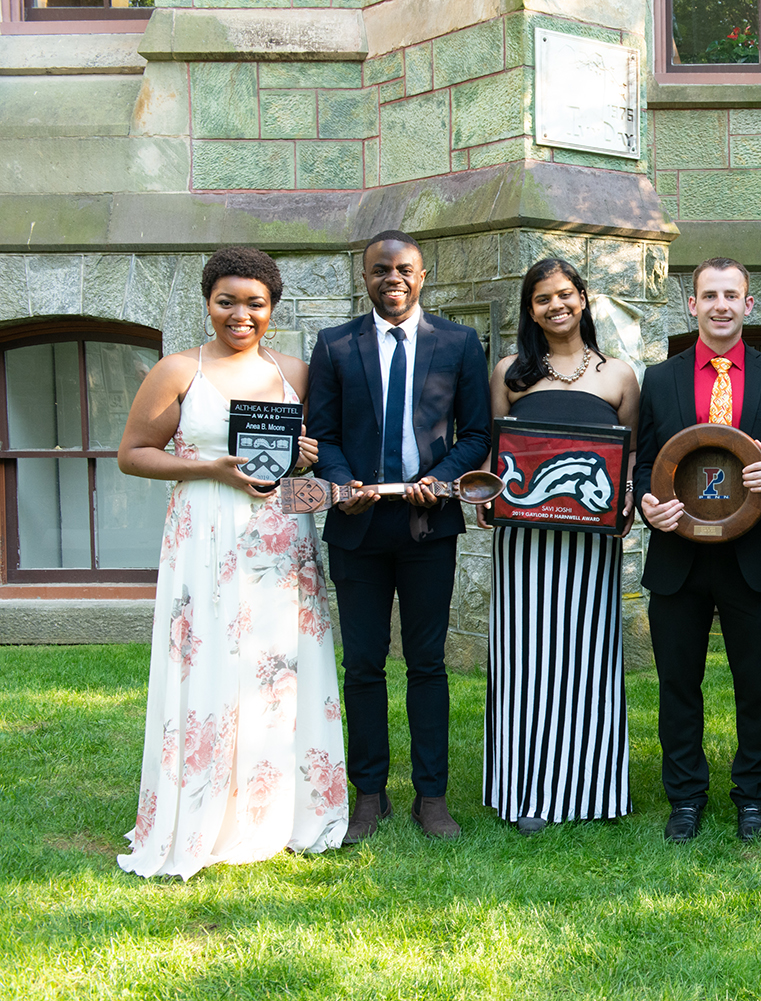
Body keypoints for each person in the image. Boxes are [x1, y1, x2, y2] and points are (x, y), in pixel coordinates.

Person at [116, 247, 347, 878]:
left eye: (255, 303)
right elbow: (133, 453)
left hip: (280, 541)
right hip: (206, 537)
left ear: (272, 308)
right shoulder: (178, 370)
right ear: (208, 302)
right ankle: (206, 809)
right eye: (227, 301)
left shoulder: (295, 373)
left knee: (279, 669)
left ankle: (285, 810)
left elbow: (312, 473)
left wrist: (305, 463)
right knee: (214, 660)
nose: (240, 314)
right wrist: (206, 467)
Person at [306, 230, 491, 843]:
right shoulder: (334, 345)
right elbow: (323, 433)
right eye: (381, 268)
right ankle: (369, 795)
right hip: (356, 527)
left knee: (427, 662)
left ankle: (431, 798)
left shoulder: (460, 343)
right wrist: (339, 481)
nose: (393, 277)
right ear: (365, 276)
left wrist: (438, 480)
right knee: (361, 664)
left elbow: (476, 433)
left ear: (422, 274)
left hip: (427, 524)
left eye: (404, 268)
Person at [634, 257, 761, 843]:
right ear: (692, 304)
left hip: (749, 558)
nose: (721, 305)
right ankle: (685, 797)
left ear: (748, 305)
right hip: (677, 557)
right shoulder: (658, 380)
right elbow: (642, 466)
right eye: (709, 295)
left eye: (732, 295)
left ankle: (754, 796)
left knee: (756, 685)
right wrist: (645, 504)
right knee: (678, 685)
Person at [476, 258, 640, 834]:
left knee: (587, 658)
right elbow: (496, 456)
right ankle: (524, 791)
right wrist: (487, 498)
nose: (556, 306)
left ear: (583, 298)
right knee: (525, 660)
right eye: (543, 298)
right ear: (531, 310)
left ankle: (589, 787)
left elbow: (630, 457)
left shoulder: (619, 375)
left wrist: (623, 501)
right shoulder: (509, 373)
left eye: (565, 294)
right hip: (523, 542)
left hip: (591, 544)